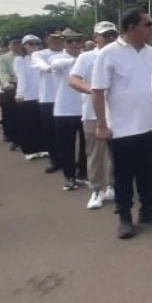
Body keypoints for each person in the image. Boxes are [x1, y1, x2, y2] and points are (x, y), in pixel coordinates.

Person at [92, 7, 152, 239]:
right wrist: (102, 125)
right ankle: (124, 216)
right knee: (123, 175)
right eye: (148, 24)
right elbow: (97, 92)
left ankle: (148, 209)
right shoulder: (109, 53)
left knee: (150, 171)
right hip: (122, 128)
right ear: (131, 27)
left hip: (151, 125)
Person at [69, 22, 117, 210]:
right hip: (92, 112)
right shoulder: (87, 57)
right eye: (105, 35)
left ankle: (113, 185)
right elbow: (73, 80)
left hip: (118, 112)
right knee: (95, 153)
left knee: (116, 153)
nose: (110, 39)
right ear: (96, 37)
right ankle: (97, 189)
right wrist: (94, 91)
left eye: (113, 35)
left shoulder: (121, 54)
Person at [49, 29, 88, 191]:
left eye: (77, 41)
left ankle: (83, 174)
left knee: (86, 146)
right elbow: (56, 65)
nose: (74, 44)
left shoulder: (86, 57)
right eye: (70, 41)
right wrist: (80, 59)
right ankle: (69, 176)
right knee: (67, 146)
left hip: (85, 109)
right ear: (64, 43)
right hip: (64, 110)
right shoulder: (57, 58)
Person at [32, 32, 65, 174]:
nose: (57, 41)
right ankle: (55, 160)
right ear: (47, 40)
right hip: (48, 99)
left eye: (60, 39)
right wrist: (53, 67)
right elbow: (43, 66)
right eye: (54, 39)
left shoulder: (69, 53)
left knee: (65, 134)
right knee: (50, 132)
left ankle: (67, 159)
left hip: (66, 100)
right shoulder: (39, 54)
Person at [14, 35, 46, 161]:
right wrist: (19, 93)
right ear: (24, 46)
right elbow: (21, 77)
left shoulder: (43, 58)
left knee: (42, 124)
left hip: (42, 95)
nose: (33, 46)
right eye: (30, 44)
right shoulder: (20, 60)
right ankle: (30, 150)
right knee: (28, 124)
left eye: (36, 44)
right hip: (28, 96)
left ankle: (44, 148)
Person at [0, 38, 22, 147]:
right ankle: (14, 139)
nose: (17, 46)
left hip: (28, 87)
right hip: (11, 86)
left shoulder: (30, 56)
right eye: (14, 43)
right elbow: (2, 72)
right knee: (11, 114)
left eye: (19, 43)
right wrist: (6, 83)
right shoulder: (4, 58)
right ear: (9, 45)